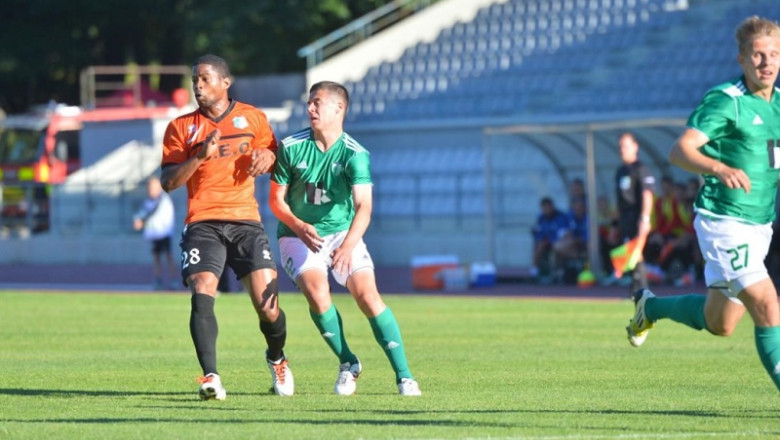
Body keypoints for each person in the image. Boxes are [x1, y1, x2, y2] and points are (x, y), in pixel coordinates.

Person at [626, 16, 780, 392]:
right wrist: (718, 166)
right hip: (724, 221)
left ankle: (651, 307)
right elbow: (680, 150)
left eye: (774, 54)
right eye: (757, 55)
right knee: (767, 304)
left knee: (721, 323)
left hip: (760, 224)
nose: (766, 62)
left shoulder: (778, 105)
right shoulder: (726, 101)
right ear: (742, 59)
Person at [269, 81, 421, 396]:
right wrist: (298, 226)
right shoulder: (291, 146)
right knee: (316, 289)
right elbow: (275, 202)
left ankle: (405, 377)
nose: (310, 108)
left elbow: (364, 206)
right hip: (297, 235)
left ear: (339, 108)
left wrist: (348, 245)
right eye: (309, 102)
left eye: (317, 102)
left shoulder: (356, 154)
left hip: (342, 234)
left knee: (367, 296)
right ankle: (347, 362)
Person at [159, 54, 293, 400]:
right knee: (203, 289)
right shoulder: (180, 127)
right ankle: (210, 377)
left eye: (204, 79)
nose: (198, 86)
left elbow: (275, 154)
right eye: (194, 80)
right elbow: (168, 182)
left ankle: (277, 358)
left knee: (268, 307)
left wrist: (271, 157)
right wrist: (199, 156)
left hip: (246, 221)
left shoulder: (253, 117)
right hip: (202, 221)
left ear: (225, 82)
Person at [615, 132, 656, 294]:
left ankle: (642, 290)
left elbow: (647, 194)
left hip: (638, 217)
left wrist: (645, 218)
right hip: (626, 218)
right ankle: (635, 288)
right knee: (629, 252)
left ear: (635, 147)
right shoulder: (620, 171)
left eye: (625, 146)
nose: (622, 150)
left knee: (636, 252)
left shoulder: (641, 169)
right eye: (620, 147)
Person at [133, 176, 178, 290]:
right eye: (149, 188)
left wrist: (141, 222)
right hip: (154, 234)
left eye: (152, 188)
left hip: (164, 233)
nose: (150, 190)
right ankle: (158, 280)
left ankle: (174, 280)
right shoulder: (148, 201)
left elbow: (152, 212)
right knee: (156, 257)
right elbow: (143, 212)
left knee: (169, 256)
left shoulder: (163, 199)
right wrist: (137, 219)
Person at [531, 197, 570, 283]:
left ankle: (559, 273)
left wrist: (551, 240)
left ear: (552, 206)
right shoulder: (541, 218)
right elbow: (539, 231)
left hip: (559, 242)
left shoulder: (560, 217)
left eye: (549, 207)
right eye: (545, 208)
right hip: (546, 243)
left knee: (558, 247)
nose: (547, 209)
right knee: (539, 245)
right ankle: (535, 272)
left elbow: (563, 233)